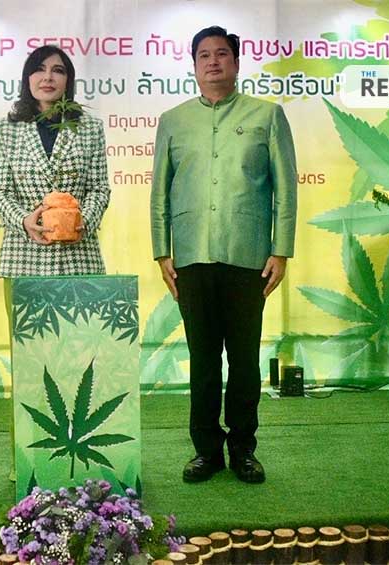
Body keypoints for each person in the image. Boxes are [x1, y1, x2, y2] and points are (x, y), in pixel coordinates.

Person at [150, 26, 297, 484]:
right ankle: (206, 451)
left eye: (221, 54)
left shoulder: (267, 116)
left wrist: (281, 250)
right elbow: (160, 191)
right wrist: (161, 251)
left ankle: (244, 450)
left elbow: (285, 188)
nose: (212, 62)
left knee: (245, 360)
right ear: (194, 65)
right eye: (204, 55)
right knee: (203, 360)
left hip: (248, 256)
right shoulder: (173, 121)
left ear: (236, 62)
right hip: (191, 255)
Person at [0, 44, 110, 284]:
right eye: (39, 69)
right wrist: (24, 221)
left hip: (78, 255)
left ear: (68, 81)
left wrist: (83, 222)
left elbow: (99, 189)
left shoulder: (90, 128)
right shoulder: (5, 129)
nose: (48, 77)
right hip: (23, 257)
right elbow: (0, 192)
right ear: (28, 78)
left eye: (57, 70)